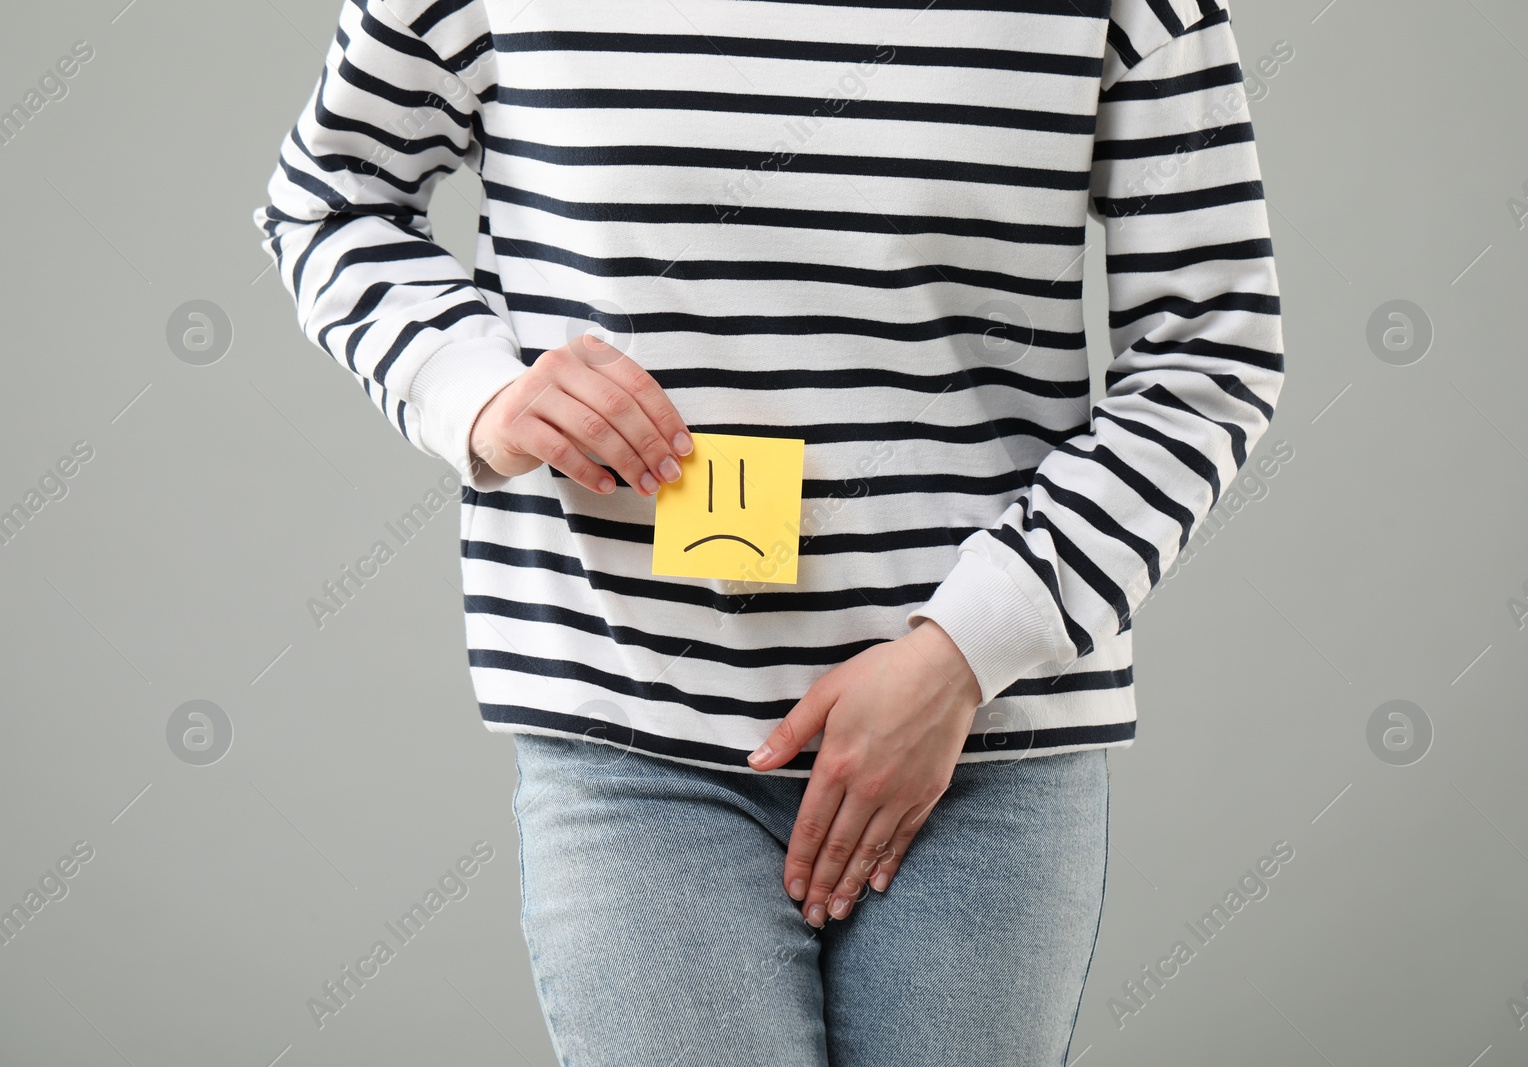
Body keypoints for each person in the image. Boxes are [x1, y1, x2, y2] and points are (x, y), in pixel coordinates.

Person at [253, 0, 1283, 1062]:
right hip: (631, 721)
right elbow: (330, 199)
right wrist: (473, 388)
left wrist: (965, 653)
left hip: (979, 742)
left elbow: (1210, 353)